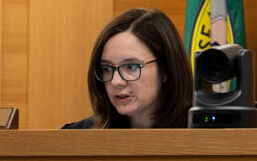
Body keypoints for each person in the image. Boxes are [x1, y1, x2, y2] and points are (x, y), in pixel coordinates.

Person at [62, 8, 193, 129]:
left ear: (165, 69)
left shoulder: (203, 134)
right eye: (107, 68)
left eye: (131, 67)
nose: (116, 81)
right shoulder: (78, 137)